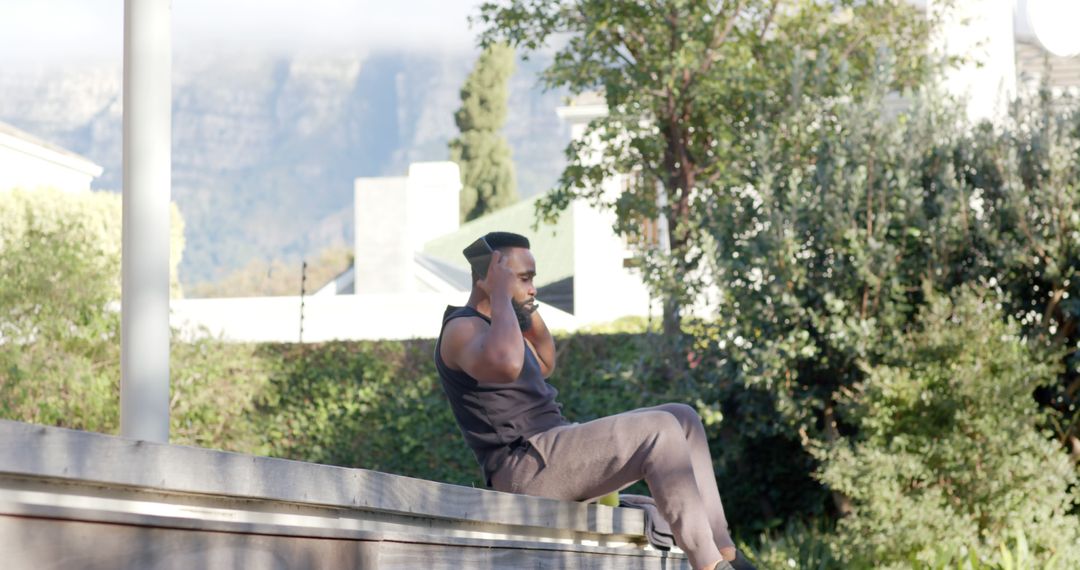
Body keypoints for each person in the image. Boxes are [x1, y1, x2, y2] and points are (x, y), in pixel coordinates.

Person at [434, 231, 754, 570]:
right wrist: (500, 293)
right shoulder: (462, 329)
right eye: (524, 278)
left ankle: (727, 554)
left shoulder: (504, 327)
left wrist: (522, 304)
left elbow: (544, 362)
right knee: (659, 429)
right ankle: (708, 565)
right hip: (523, 467)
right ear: (490, 277)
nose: (533, 287)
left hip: (553, 451)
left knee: (682, 417)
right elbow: (509, 365)